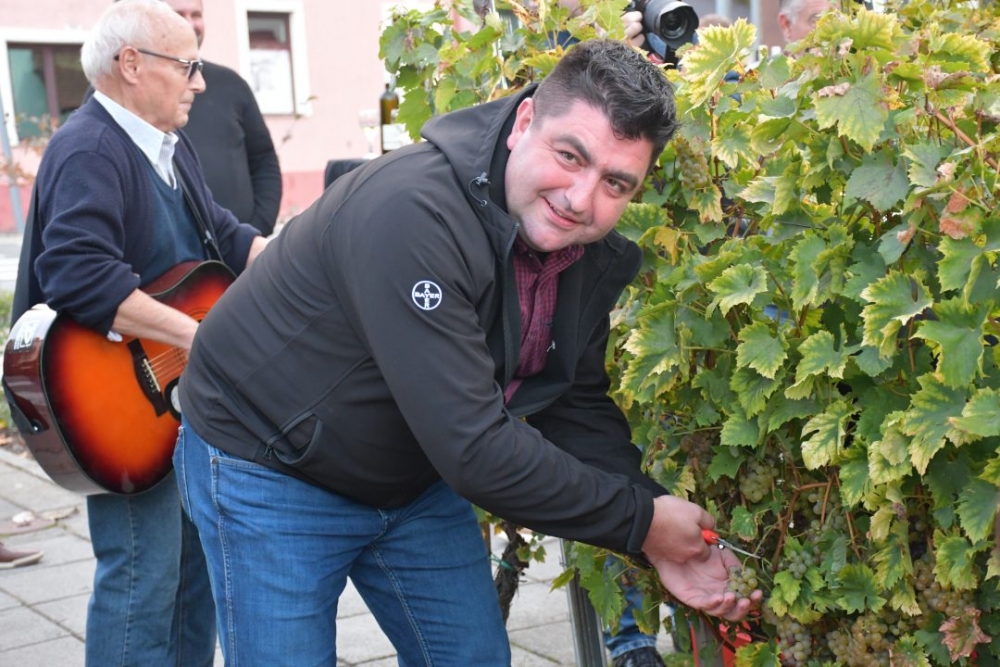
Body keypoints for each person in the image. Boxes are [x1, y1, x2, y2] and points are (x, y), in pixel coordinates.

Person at [176, 38, 761, 665]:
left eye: (616, 182)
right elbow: (474, 448)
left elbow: (573, 402)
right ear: (526, 122)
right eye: (570, 156)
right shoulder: (412, 214)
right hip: (269, 462)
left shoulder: (582, 249)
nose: (580, 199)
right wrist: (641, 523)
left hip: (411, 469)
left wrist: (657, 525)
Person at [11, 0, 266, 664]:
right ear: (131, 64)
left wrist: (290, 254)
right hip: (118, 406)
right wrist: (194, 336)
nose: (200, 83)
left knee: (193, 582)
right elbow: (78, 276)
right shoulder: (89, 147)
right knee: (141, 585)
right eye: (188, 66)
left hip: (176, 402)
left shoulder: (166, 146)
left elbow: (225, 239)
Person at [163, 0, 283, 236]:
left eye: (196, 14)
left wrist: (254, 231)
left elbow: (264, 159)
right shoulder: (124, 92)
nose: (189, 23)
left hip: (239, 256)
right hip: (172, 265)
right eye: (178, 14)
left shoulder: (231, 84)